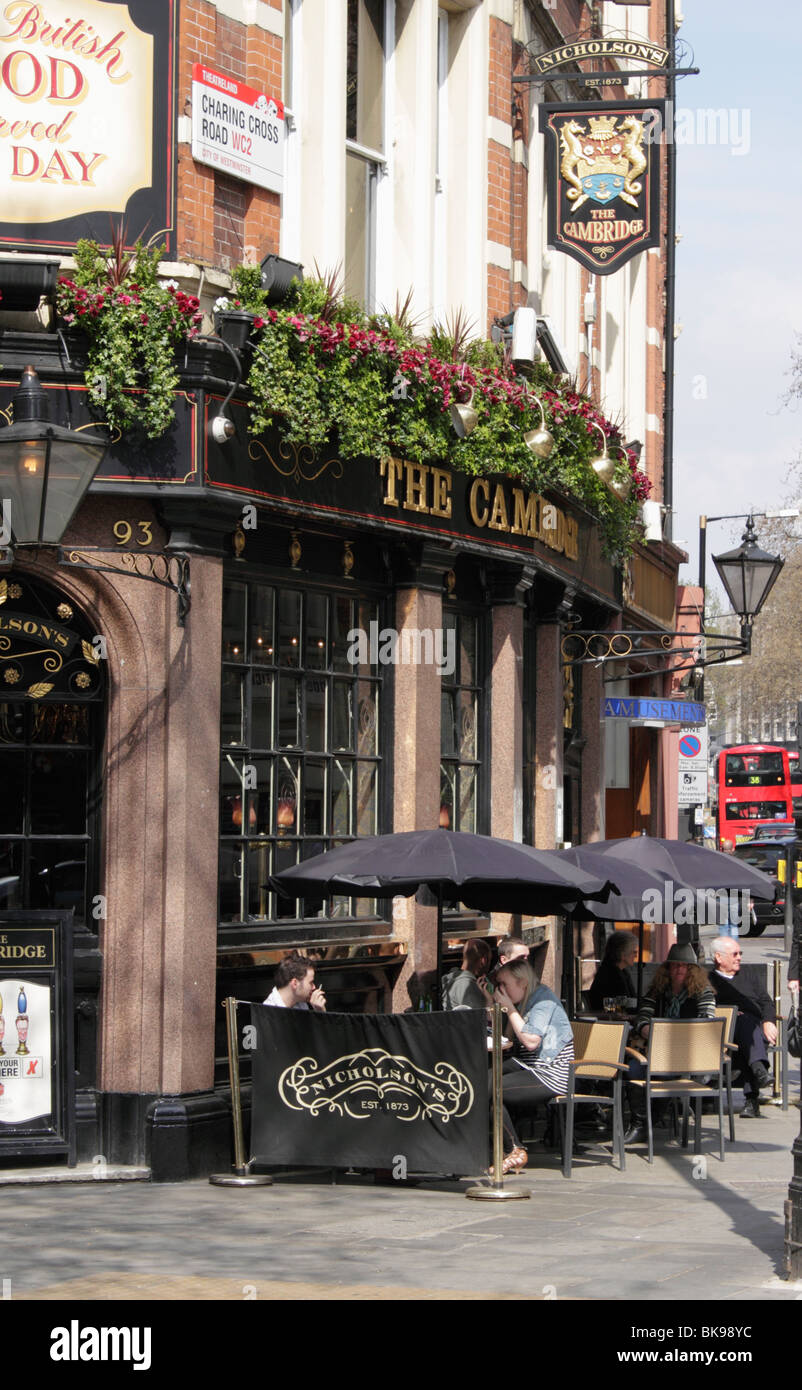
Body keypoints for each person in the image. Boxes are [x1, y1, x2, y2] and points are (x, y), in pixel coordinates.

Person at [625, 942, 716, 1145]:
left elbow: (707, 1023)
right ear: (667, 968)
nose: (679, 969)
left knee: (661, 1072)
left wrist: (673, 1035)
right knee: (632, 1068)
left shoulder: (702, 992)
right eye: (675, 965)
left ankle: (650, 1120)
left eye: (684, 966)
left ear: (692, 969)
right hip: (656, 1051)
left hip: (688, 1056)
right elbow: (642, 1017)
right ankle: (639, 1123)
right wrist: (646, 1029)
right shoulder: (657, 991)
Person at [492, 957, 574, 1173]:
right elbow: (509, 1037)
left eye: (505, 984)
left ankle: (514, 1149)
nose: (501, 990)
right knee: (482, 1082)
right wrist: (501, 1007)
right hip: (528, 1065)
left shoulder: (543, 1001)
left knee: (493, 1090)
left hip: (550, 1074)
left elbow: (530, 1041)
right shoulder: (526, 999)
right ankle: (501, 1148)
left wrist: (509, 1008)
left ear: (522, 983)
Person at [709, 935, 776, 1118]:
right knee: (744, 1023)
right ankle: (755, 1087)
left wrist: (769, 1021)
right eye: (735, 954)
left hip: (754, 1029)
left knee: (748, 1027)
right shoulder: (709, 980)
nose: (739, 957)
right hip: (723, 1032)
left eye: (740, 953)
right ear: (719, 957)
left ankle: (757, 1072)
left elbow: (766, 1002)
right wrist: (730, 1014)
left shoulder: (748, 974)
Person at [587, 930, 638, 1011]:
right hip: (608, 1017)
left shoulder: (622, 972)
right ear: (622, 954)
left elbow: (631, 1001)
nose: (636, 956)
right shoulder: (610, 974)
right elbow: (609, 1005)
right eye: (634, 952)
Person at [441, 939, 492, 1010]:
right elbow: (478, 1015)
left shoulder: (452, 979)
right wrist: (489, 1000)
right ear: (483, 961)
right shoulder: (467, 985)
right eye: (490, 960)